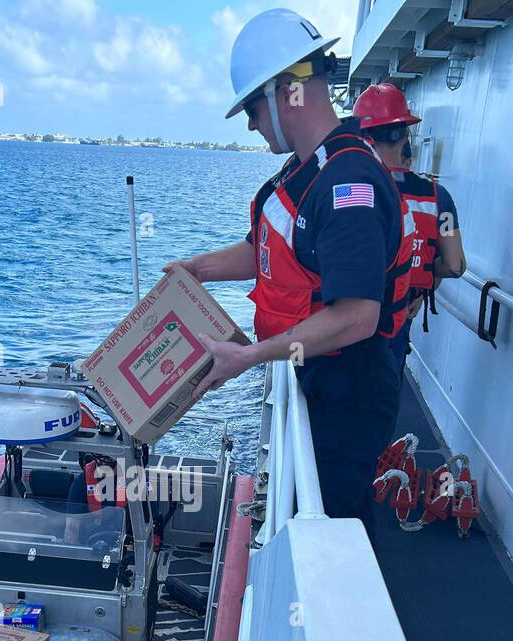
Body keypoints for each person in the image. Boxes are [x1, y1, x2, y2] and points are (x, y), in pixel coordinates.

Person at [172, 8, 412, 540]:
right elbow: (264, 250)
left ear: (289, 91)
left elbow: (356, 317)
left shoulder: (350, 183)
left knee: (333, 528)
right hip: (316, 373)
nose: (252, 124)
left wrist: (249, 356)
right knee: (309, 507)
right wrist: (196, 271)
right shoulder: (309, 168)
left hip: (348, 391)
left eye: (252, 109)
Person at [353, 83, 466, 408]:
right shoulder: (437, 197)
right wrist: (423, 277)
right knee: (383, 400)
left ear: (364, 139)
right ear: (405, 138)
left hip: (346, 322)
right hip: (400, 318)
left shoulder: (351, 191)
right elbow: (456, 265)